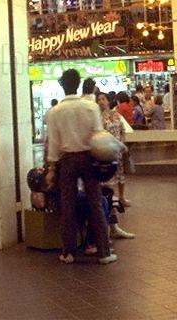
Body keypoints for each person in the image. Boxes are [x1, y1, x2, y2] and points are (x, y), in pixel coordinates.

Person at [45, 69, 117, 265]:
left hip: (66, 160)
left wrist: (52, 168)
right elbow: (99, 135)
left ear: (62, 85)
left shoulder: (55, 111)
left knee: (67, 206)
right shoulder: (90, 107)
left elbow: (54, 143)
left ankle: (68, 252)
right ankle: (103, 252)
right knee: (96, 202)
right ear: (78, 84)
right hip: (89, 158)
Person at [96, 93, 133, 215]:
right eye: (99, 100)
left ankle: (121, 197)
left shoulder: (116, 115)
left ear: (107, 100)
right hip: (106, 150)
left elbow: (122, 130)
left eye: (103, 99)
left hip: (118, 149)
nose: (101, 101)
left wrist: (122, 144)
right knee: (107, 177)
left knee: (120, 174)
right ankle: (108, 198)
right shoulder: (97, 118)